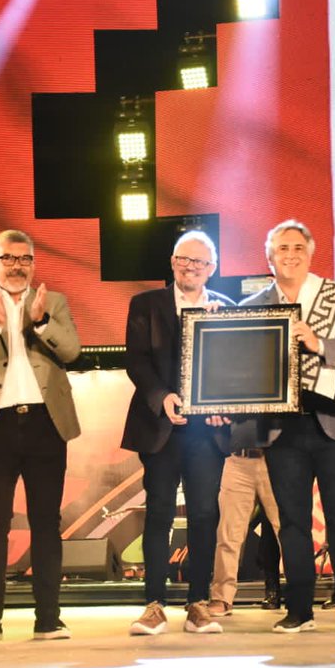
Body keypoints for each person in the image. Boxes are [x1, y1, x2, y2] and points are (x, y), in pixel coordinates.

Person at [233, 219, 335, 634]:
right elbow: (240, 366)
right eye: (282, 248)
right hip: (283, 429)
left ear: (311, 254)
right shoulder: (253, 306)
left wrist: (319, 344)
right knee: (292, 522)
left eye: (298, 247)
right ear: (269, 258)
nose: (290, 255)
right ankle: (299, 610)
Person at [0, 229, 81, 642]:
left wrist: (40, 321)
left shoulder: (52, 301)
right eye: (7, 258)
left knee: (46, 522)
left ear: (33, 264)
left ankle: (49, 618)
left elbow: (71, 351)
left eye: (24, 259)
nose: (16, 266)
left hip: (45, 423)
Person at [121, 231, 233, 635]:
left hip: (207, 434)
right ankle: (154, 604)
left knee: (204, 514)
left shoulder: (225, 309)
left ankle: (198, 603)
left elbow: (234, 369)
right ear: (172, 262)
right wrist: (162, 397)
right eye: (184, 259)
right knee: (159, 513)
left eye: (200, 262)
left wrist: (224, 407)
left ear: (212, 269)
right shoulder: (146, 304)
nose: (191, 267)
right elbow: (136, 361)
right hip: (161, 426)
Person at [207, 451, 281, 619]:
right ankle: (222, 597)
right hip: (237, 460)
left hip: (276, 459)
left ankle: (300, 597)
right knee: (228, 534)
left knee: (289, 533)